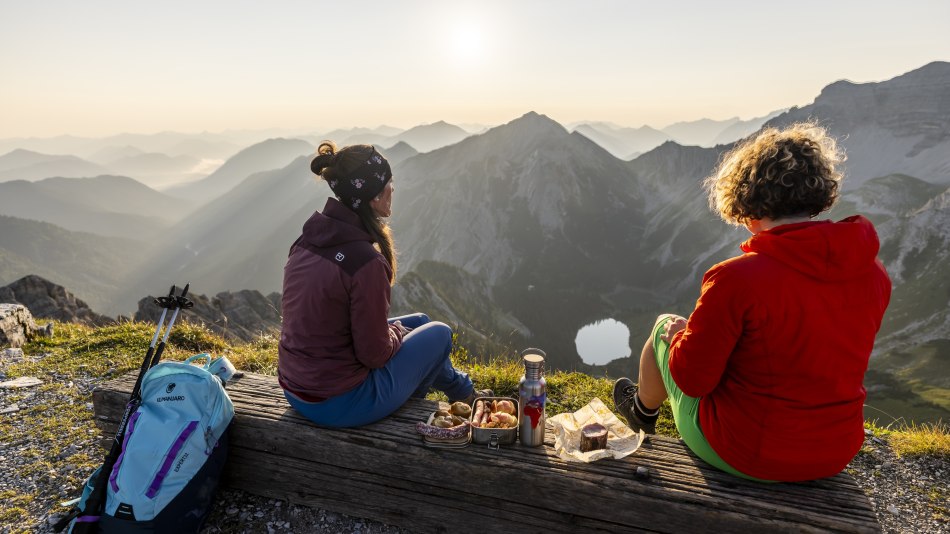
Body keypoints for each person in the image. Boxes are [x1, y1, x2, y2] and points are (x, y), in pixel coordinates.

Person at [613, 123, 891, 482]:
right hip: (836, 451)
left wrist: (682, 338)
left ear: (747, 206)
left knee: (664, 325)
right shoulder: (872, 271)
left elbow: (693, 380)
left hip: (748, 452)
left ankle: (641, 411)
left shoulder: (737, 278)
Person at [278, 141, 488, 428]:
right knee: (439, 333)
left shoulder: (307, 241)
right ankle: (459, 395)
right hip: (341, 402)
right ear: (374, 197)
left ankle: (463, 392)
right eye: (390, 183)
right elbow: (374, 355)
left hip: (296, 389)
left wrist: (393, 332)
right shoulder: (365, 262)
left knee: (421, 321)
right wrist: (394, 335)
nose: (394, 189)